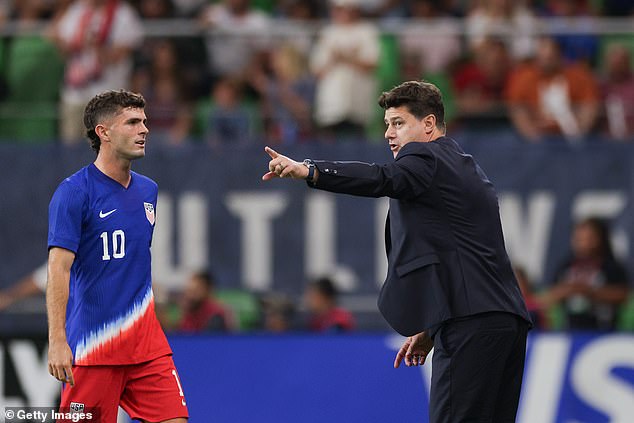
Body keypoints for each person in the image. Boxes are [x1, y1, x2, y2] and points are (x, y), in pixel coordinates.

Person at [262, 80, 532, 423]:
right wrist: (432, 329)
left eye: (399, 123)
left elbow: (381, 178)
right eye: (387, 124)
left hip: (469, 325)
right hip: (504, 322)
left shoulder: (424, 155)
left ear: (429, 124)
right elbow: (460, 257)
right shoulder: (464, 166)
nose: (389, 134)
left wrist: (311, 170)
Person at [46, 90, 188, 423]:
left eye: (145, 121)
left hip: (147, 346)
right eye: (133, 122)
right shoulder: (73, 192)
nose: (145, 130)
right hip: (95, 348)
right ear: (104, 132)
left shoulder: (148, 190)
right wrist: (57, 340)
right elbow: (59, 268)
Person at [50, 0, 143, 144]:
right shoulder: (77, 10)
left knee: (101, 148)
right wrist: (60, 39)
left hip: (107, 97)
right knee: (70, 147)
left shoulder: (122, 13)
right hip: (74, 94)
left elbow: (121, 53)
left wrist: (96, 45)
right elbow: (63, 47)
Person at [505, 36, 600, 143]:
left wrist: (578, 134)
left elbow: (589, 106)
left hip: (571, 137)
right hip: (537, 140)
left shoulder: (578, 76)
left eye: (551, 57)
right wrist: (532, 136)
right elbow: (517, 109)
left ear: (559, 55)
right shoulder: (524, 77)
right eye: (543, 57)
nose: (547, 60)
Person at [543, 217, 629, 330]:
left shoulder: (610, 266)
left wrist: (588, 291)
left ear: (600, 238)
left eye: (589, 238)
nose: (584, 243)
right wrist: (567, 291)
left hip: (603, 329)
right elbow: (549, 296)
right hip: (570, 329)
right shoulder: (566, 266)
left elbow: (623, 295)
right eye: (579, 238)